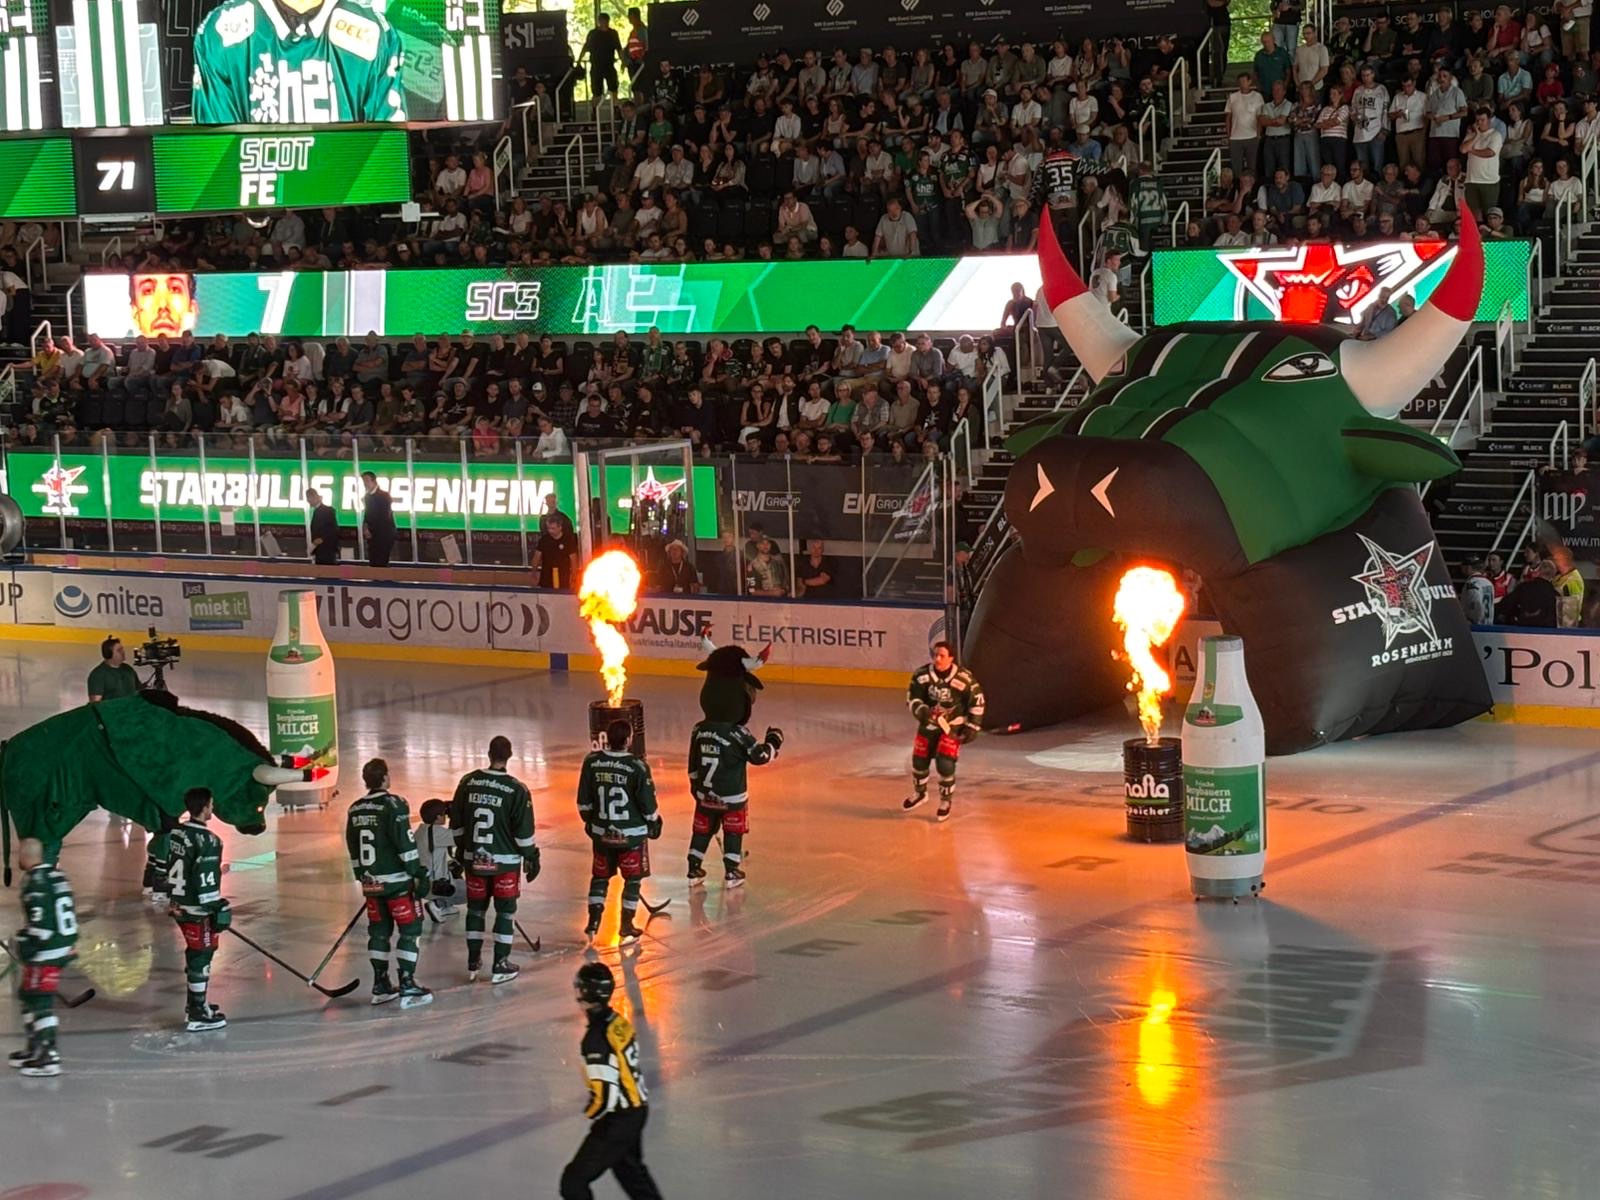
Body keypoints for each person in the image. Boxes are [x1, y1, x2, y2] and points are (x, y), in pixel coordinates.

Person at [192, 0, 406, 124]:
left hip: (349, 188)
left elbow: (385, 161)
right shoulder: (219, 34)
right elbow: (218, 162)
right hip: (254, 187)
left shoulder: (377, 35)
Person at [560, 961, 663, 1200]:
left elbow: (606, 1096)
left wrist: (591, 1113)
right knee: (631, 1173)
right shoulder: (616, 1021)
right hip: (636, 1110)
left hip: (620, 1118)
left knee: (573, 1181)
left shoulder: (595, 1039)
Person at [450, 736, 540, 985]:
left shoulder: (467, 782)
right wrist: (531, 856)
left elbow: (456, 824)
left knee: (475, 910)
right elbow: (523, 835)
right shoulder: (517, 789)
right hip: (505, 864)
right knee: (505, 912)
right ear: (509, 756)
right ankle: (500, 964)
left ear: (488, 753)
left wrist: (462, 850)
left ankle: (473, 961)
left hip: (474, 861)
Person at [345, 758, 432, 1007]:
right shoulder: (394, 804)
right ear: (385, 778)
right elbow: (405, 844)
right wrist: (418, 873)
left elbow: (352, 845)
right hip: (397, 883)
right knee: (410, 930)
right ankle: (407, 982)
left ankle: (380, 984)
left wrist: (361, 876)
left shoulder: (354, 809)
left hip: (372, 883)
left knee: (379, 932)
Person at [686, 678, 782, 889]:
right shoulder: (738, 733)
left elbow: (692, 764)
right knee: (733, 831)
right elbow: (760, 756)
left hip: (705, 795)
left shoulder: (698, 729)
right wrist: (774, 742)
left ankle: (693, 869)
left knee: (702, 831)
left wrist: (695, 788)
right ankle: (731, 871)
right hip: (732, 797)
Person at [576, 719, 661, 945]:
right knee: (632, 880)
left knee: (600, 877)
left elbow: (584, 804)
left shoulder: (591, 762)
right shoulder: (638, 766)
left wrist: (593, 824)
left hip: (601, 834)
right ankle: (626, 926)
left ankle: (593, 922)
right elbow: (648, 806)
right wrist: (654, 822)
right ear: (628, 740)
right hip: (631, 836)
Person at [9, 838, 75, 1077]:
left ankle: (48, 1056)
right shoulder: (58, 876)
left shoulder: (35, 883)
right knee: (28, 994)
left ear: (25, 856)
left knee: (39, 999)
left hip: (47, 950)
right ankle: (35, 1047)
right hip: (63, 944)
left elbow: (41, 927)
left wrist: (23, 943)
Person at [168, 787, 232, 1032]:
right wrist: (219, 906)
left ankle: (195, 1002)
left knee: (194, 953)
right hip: (197, 910)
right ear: (205, 808)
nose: (212, 808)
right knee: (202, 955)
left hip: (179, 905)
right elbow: (206, 886)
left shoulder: (177, 833)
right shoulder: (210, 840)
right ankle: (198, 1013)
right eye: (211, 804)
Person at [902, 641, 985, 822]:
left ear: (951, 658)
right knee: (919, 761)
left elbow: (977, 701)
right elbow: (912, 697)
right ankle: (920, 794)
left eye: (942, 656)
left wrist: (972, 726)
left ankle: (945, 802)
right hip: (929, 725)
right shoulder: (922, 675)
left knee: (945, 764)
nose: (937, 659)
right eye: (935, 655)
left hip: (952, 727)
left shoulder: (964, 679)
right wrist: (921, 711)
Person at [583, 12, 624, 100]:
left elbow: (619, 48)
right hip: (596, 66)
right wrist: (579, 62)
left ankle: (615, 106)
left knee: (613, 88)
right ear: (599, 22)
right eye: (602, 21)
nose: (603, 23)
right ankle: (595, 108)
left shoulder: (613, 34)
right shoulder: (593, 34)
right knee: (596, 91)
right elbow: (585, 47)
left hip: (609, 65)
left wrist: (623, 62)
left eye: (605, 21)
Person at [87, 635, 140, 701]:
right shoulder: (98, 674)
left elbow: (138, 690)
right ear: (108, 653)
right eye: (119, 650)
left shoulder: (128, 669)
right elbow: (95, 703)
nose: (123, 652)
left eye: (122, 649)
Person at [361, 470, 396, 567]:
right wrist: (365, 528)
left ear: (374, 481)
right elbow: (367, 514)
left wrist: (371, 529)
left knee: (381, 561)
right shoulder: (367, 497)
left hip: (384, 534)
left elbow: (384, 516)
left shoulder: (384, 495)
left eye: (367, 480)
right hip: (373, 535)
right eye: (363, 481)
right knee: (373, 561)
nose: (365, 484)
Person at [536, 512, 579, 589]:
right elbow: (537, 557)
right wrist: (533, 571)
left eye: (553, 528)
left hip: (563, 576)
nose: (550, 531)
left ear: (560, 527)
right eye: (548, 528)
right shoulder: (544, 540)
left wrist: (574, 578)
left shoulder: (568, 540)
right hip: (546, 577)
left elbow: (573, 560)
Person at [307, 486, 340, 565]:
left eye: (309, 498)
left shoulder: (328, 511)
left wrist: (322, 538)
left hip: (327, 550)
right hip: (318, 551)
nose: (308, 501)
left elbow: (334, 529)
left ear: (314, 497)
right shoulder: (316, 512)